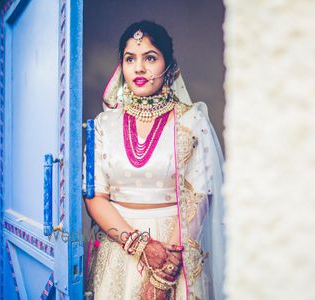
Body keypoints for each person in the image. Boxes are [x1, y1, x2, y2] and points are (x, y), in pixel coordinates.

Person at [83, 20, 226, 300]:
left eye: (150, 58)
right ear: (121, 67)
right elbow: (95, 196)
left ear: (169, 66)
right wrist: (141, 245)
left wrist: (167, 266)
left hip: (177, 246)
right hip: (120, 247)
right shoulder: (104, 124)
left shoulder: (190, 119)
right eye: (130, 59)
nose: (139, 68)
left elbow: (200, 195)